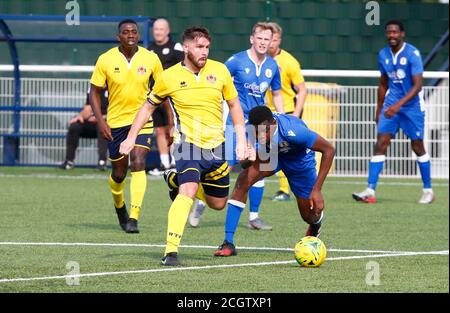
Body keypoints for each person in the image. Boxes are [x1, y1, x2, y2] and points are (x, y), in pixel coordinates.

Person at [119, 26, 248, 266]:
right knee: (187, 192)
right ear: (186, 47)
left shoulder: (220, 71)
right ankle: (170, 252)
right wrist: (130, 137)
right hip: (188, 145)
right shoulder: (168, 77)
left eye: (207, 47)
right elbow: (148, 107)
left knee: (218, 204)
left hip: (217, 147)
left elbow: (234, 106)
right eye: (200, 47)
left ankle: (173, 178)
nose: (205, 52)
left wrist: (241, 141)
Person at [189, 22, 285, 230]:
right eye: (259, 38)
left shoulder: (272, 66)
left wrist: (282, 118)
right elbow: (216, 80)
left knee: (262, 165)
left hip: (260, 124)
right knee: (226, 165)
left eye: (266, 39)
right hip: (237, 121)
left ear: (271, 42)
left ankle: (254, 217)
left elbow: (276, 93)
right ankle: (202, 201)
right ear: (252, 39)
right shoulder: (236, 61)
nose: (262, 42)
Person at [214, 105, 335, 256]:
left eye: (264, 132)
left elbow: (329, 150)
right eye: (257, 132)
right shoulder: (249, 130)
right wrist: (246, 157)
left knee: (309, 215)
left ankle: (316, 224)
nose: (260, 136)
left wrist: (317, 190)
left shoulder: (295, 130)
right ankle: (228, 242)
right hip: (271, 156)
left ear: (273, 123)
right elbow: (245, 163)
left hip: (299, 160)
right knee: (243, 180)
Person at [89, 19, 163, 234]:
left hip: (142, 121)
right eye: (125, 32)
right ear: (118, 36)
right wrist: (101, 121)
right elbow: (94, 92)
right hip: (115, 124)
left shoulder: (151, 58)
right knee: (119, 174)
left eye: (134, 31)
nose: (130, 34)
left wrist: (171, 122)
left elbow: (162, 90)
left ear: (138, 35)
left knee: (139, 162)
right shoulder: (105, 59)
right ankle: (119, 206)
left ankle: (133, 217)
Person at [352, 20, 435, 204]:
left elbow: (418, 85)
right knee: (380, 143)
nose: (392, 35)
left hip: (412, 107)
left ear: (402, 34)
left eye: (395, 32)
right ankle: (370, 189)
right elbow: (383, 83)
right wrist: (379, 108)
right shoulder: (383, 54)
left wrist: (399, 105)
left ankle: (428, 190)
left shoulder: (412, 54)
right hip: (391, 106)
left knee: (418, 146)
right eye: (389, 32)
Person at [266, 21, 308, 202]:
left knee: (285, 151)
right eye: (268, 39)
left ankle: (285, 190)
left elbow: (302, 89)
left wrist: (295, 116)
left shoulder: (289, 62)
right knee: (264, 152)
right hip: (265, 114)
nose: (270, 43)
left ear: (279, 40)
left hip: (286, 112)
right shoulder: (258, 61)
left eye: (274, 39)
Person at [147, 18, 184, 174]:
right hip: (157, 97)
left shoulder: (176, 47)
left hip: (173, 97)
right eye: (156, 29)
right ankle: (164, 164)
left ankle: (176, 162)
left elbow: (184, 68)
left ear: (167, 31)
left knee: (173, 128)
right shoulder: (149, 50)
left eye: (161, 29)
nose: (158, 32)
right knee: (159, 130)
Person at [59, 89, 108, 171]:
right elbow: (88, 108)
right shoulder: (92, 88)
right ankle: (69, 161)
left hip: (106, 122)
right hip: (91, 122)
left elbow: (117, 110)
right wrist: (80, 116)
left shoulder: (114, 87)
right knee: (74, 127)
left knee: (102, 127)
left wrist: (100, 118)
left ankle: (102, 162)